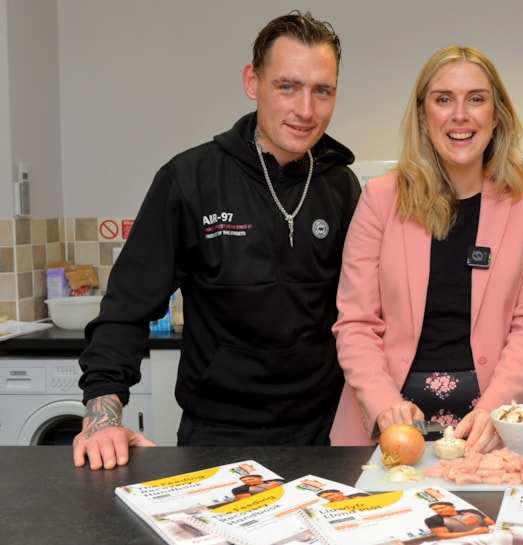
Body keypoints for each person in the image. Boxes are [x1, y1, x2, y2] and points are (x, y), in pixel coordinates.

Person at [73, 11, 361, 470]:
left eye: (321, 90)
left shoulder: (342, 187)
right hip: (215, 434)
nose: (306, 110)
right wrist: (101, 412)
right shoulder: (190, 180)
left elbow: (364, 314)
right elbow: (126, 309)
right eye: (287, 86)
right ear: (253, 81)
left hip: (325, 432)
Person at [329, 45, 523, 453]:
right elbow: (356, 323)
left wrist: (495, 410)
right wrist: (386, 406)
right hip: (391, 422)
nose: (460, 115)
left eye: (476, 99)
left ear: (496, 114)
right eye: (443, 99)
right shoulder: (380, 199)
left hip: (499, 422)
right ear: (422, 114)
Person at [424, 501, 495, 539]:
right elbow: (443, 535)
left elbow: (492, 523)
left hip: (488, 534)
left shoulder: (471, 511)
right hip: (462, 540)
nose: (439, 510)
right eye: (435, 509)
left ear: (453, 507)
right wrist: (472, 533)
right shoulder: (433, 519)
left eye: (442, 507)